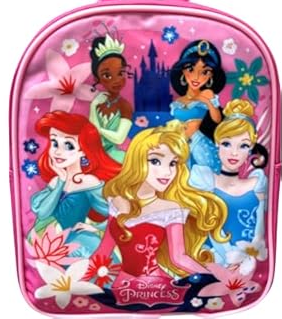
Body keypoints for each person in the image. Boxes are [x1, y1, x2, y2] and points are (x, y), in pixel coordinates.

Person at [89, 121, 230, 287]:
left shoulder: (171, 209)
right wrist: (78, 280)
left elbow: (179, 257)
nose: (167, 172)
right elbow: (103, 251)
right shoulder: (118, 201)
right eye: (155, 161)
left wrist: (214, 280)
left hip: (156, 285)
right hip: (123, 284)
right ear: (137, 160)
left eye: (173, 163)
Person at [29, 110, 122, 259]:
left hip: (81, 243)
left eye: (68, 145)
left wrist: (97, 228)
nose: (58, 152)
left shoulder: (88, 181)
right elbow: (43, 213)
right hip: (52, 245)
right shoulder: (56, 181)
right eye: (54, 143)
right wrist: (61, 181)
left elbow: (118, 213)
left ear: (84, 150)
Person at [189, 99, 268, 264]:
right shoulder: (205, 180)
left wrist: (250, 253)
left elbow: (260, 227)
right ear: (217, 143)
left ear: (251, 147)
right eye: (227, 143)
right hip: (215, 257)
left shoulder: (257, 182)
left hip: (252, 257)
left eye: (243, 146)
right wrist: (230, 258)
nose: (234, 153)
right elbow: (210, 227)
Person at [170, 39, 226, 172]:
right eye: (191, 69)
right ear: (183, 71)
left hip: (199, 144)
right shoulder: (179, 100)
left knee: (204, 176)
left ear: (211, 75)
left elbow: (217, 119)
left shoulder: (207, 94)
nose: (196, 77)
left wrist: (207, 102)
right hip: (180, 144)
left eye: (205, 72)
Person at [89, 35, 133, 163]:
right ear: (97, 79)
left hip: (112, 156)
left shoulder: (124, 106)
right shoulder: (98, 102)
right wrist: (93, 106)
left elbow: (119, 139)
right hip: (92, 153)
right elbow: (90, 133)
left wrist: (98, 129)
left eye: (120, 73)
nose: (116, 80)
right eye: (107, 75)